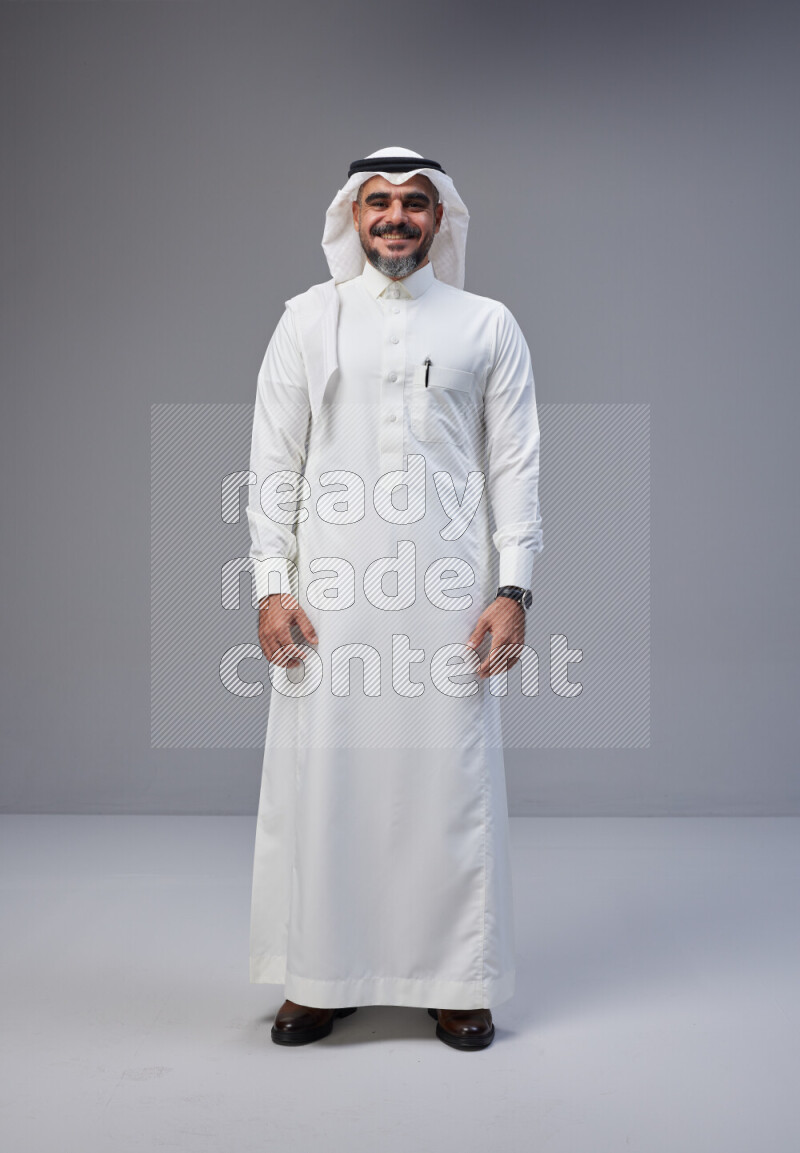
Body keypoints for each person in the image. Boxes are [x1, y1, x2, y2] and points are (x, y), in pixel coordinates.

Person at [247, 146, 543, 1050]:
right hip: (333, 598)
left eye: (415, 203)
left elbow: (515, 463)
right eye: (379, 203)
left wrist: (513, 589)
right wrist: (270, 585)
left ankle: (456, 980)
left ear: (441, 217)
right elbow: (273, 461)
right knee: (327, 782)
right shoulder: (307, 319)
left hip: (450, 598)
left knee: (448, 786)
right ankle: (319, 978)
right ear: (352, 216)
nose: (397, 218)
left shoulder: (487, 323)